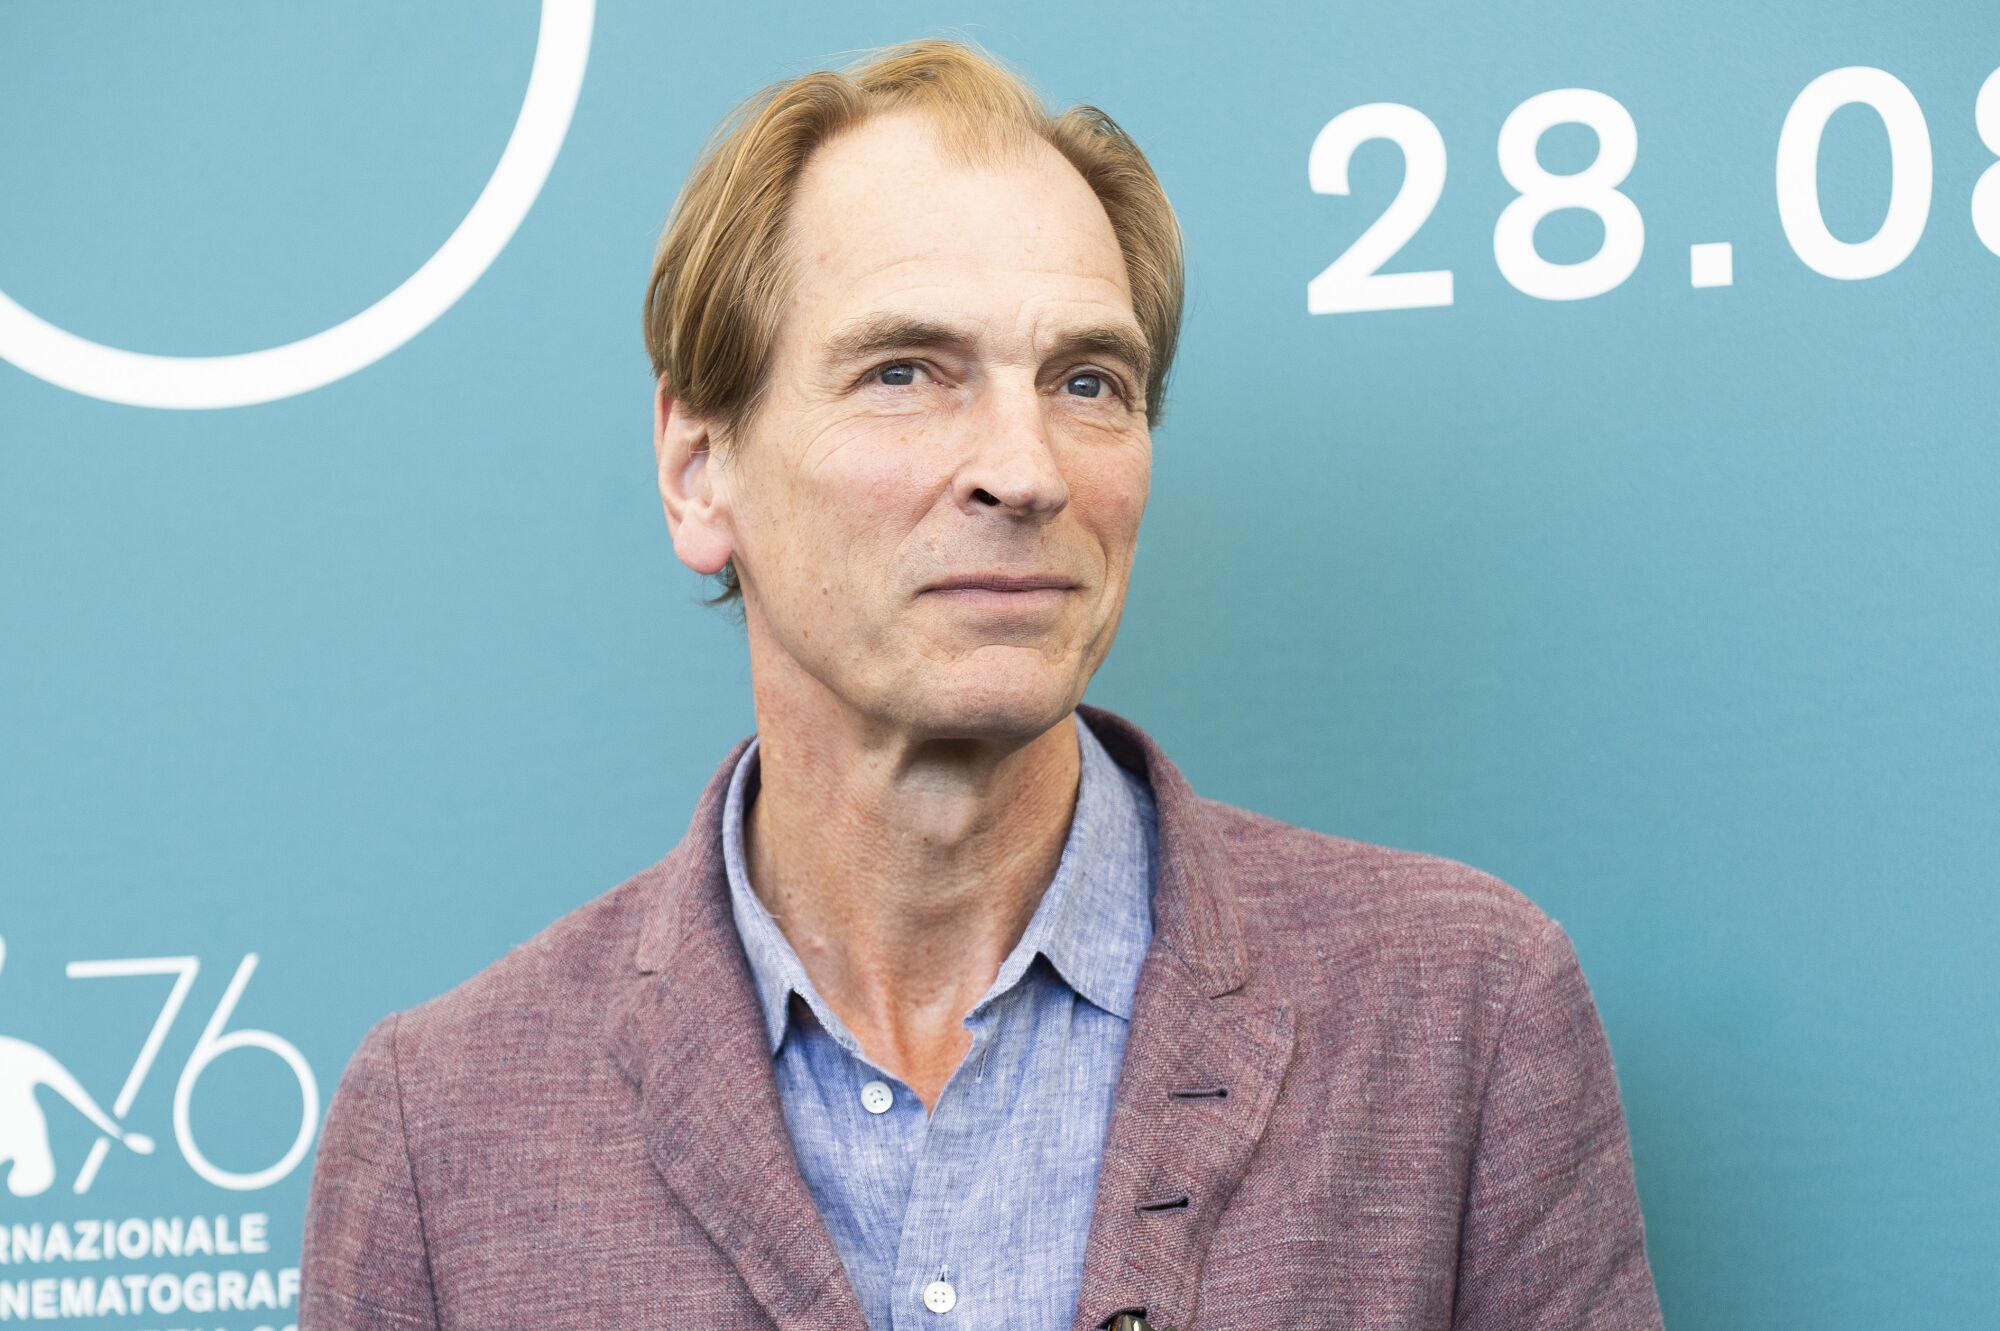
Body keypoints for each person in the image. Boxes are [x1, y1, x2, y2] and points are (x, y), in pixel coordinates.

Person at [299, 37, 1665, 1331]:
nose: (1028, 469)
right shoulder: (446, 1127)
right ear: (697, 465)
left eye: (1088, 382)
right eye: (906, 371)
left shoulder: (1458, 1015)